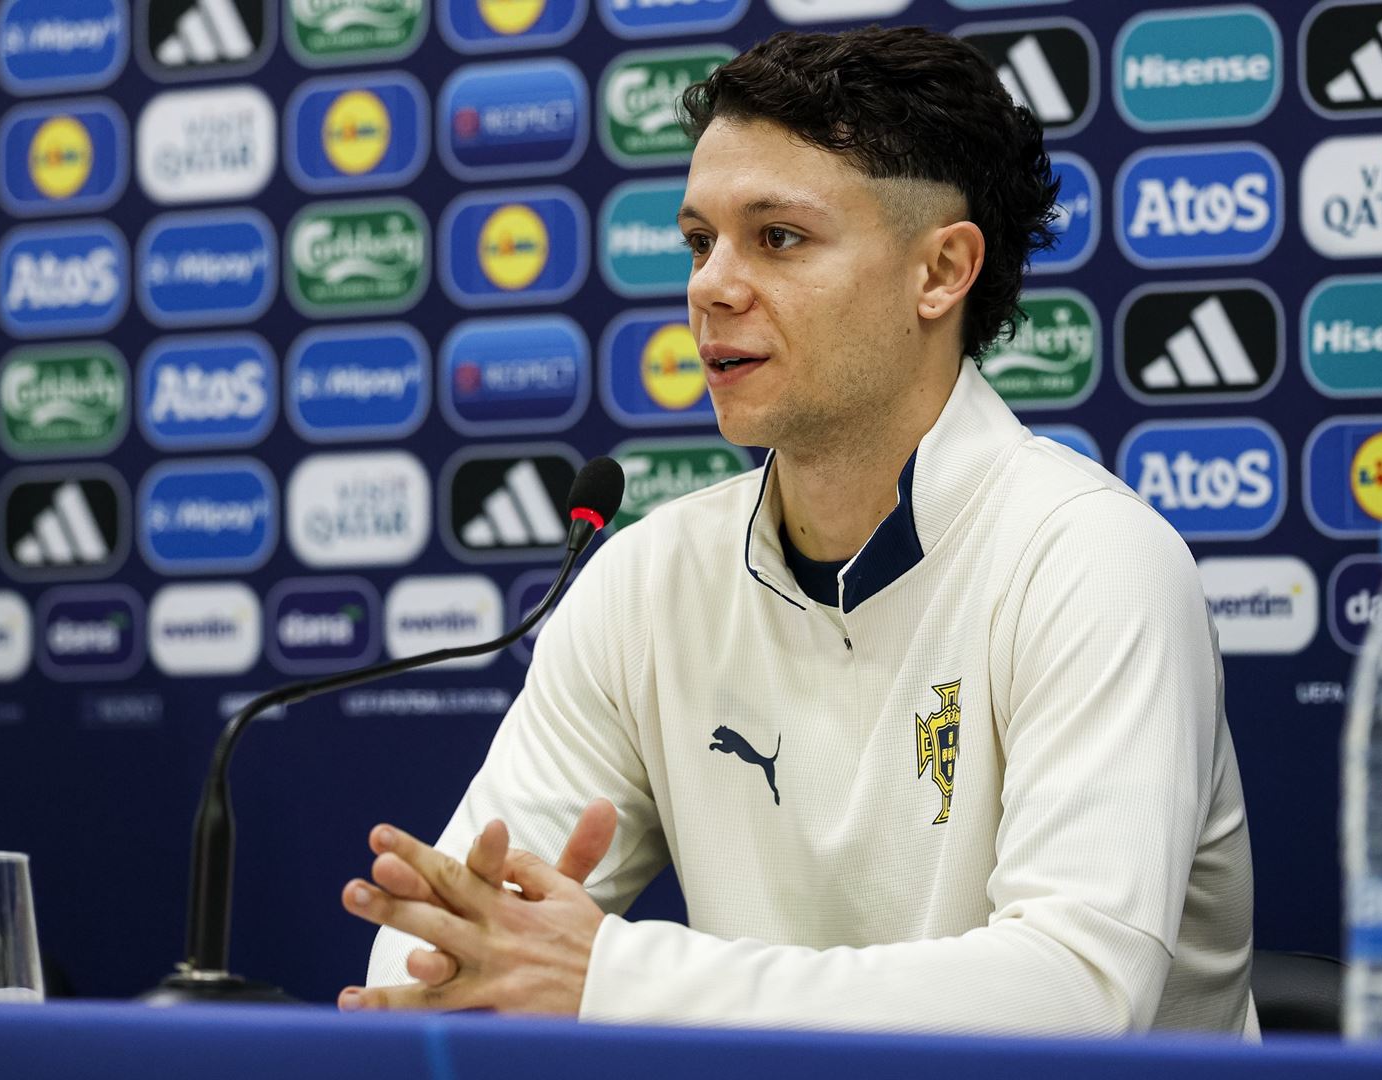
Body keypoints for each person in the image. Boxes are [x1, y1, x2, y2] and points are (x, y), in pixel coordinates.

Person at [342, 25, 1256, 1036]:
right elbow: (432, 959)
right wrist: (489, 960)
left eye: (778, 238)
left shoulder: (1090, 559)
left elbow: (1074, 997)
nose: (711, 286)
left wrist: (617, 977)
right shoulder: (644, 583)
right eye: (700, 241)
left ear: (941, 271)